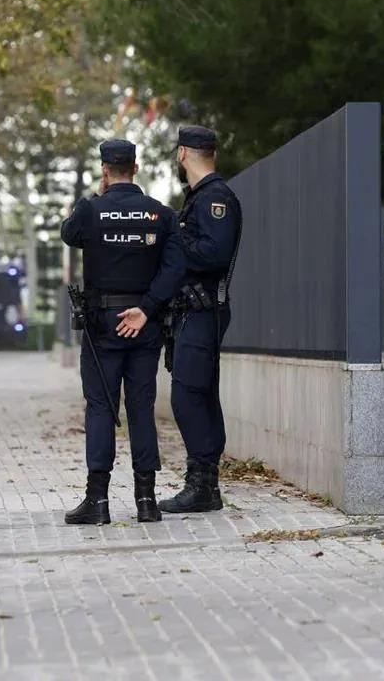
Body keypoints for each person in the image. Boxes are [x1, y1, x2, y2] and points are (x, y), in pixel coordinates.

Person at [60, 138, 184, 525]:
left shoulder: (89, 211)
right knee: (141, 410)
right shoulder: (160, 215)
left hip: (102, 327)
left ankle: (97, 503)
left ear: (104, 169)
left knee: (101, 408)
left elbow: (69, 234)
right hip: (144, 326)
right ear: (135, 167)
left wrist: (97, 198)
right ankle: (146, 502)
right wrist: (146, 310)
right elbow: (174, 268)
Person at [160, 124, 242, 514]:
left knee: (189, 395)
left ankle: (202, 485)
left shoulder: (215, 198)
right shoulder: (198, 198)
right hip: (191, 311)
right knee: (198, 394)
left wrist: (173, 243)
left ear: (183, 154)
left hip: (204, 310)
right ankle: (204, 484)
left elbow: (214, 254)